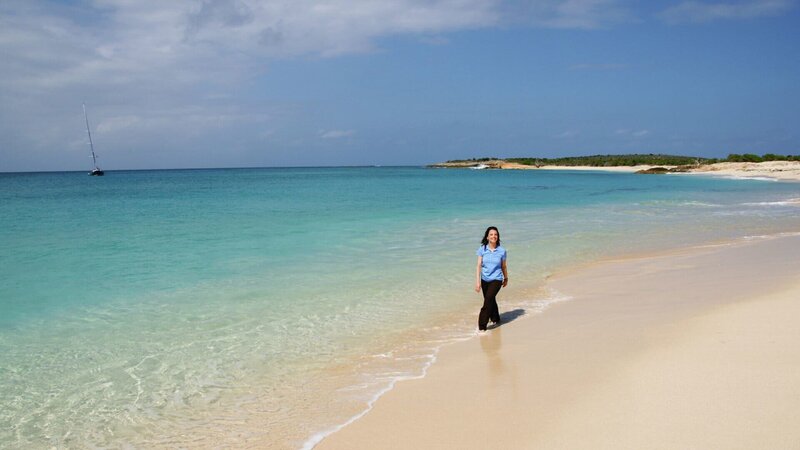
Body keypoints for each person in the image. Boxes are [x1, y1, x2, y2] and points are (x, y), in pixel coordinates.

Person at [475, 226, 508, 331]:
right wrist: (478, 282)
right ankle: (495, 318)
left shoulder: (502, 251)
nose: (494, 236)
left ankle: (482, 326)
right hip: (484, 279)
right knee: (490, 299)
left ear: (498, 237)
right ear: (487, 237)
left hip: (497, 279)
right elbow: (479, 265)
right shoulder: (482, 249)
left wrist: (506, 278)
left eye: (496, 234)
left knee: (488, 300)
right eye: (491, 234)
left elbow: (503, 266)